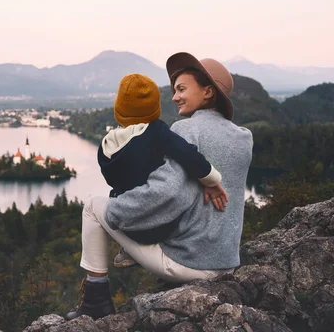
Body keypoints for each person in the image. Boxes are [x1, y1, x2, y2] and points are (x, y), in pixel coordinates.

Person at [66, 53, 253, 321]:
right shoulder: (244, 138)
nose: (175, 96)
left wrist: (117, 214)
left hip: (188, 262)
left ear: (207, 91)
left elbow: (167, 194)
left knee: (94, 206)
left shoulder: (186, 131)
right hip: (227, 262)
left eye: (181, 89)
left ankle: (95, 302)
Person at [98, 73, 229, 268]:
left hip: (128, 223)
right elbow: (186, 153)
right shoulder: (155, 131)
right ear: (153, 107)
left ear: (119, 108)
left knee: (110, 197)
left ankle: (119, 257)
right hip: (160, 227)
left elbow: (112, 180)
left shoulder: (105, 146)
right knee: (184, 185)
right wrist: (210, 179)